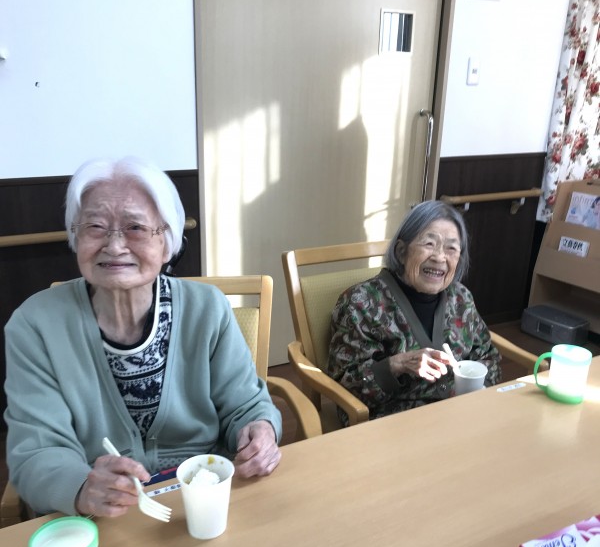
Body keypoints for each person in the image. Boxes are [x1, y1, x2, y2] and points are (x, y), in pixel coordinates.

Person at [5, 156, 282, 518]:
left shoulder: (207, 308)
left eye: (135, 227)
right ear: (76, 237)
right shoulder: (35, 326)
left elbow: (245, 404)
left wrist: (260, 429)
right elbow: (36, 450)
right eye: (95, 227)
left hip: (203, 494)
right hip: (103, 513)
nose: (115, 245)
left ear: (167, 243)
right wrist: (81, 486)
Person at [327, 200, 501, 421]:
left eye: (451, 248)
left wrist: (477, 386)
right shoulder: (361, 303)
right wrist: (397, 365)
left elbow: (489, 358)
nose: (440, 257)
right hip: (393, 423)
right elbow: (345, 387)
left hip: (461, 416)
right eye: (429, 244)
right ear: (401, 251)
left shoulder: (461, 298)